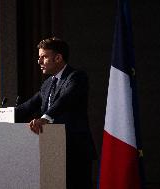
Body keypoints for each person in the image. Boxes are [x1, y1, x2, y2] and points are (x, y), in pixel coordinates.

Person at [15, 37, 97, 189]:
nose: (39, 62)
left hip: (75, 151)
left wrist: (45, 118)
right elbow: (27, 106)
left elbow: (65, 101)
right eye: (38, 57)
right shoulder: (47, 84)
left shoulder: (76, 77)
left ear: (58, 58)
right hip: (51, 151)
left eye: (44, 57)